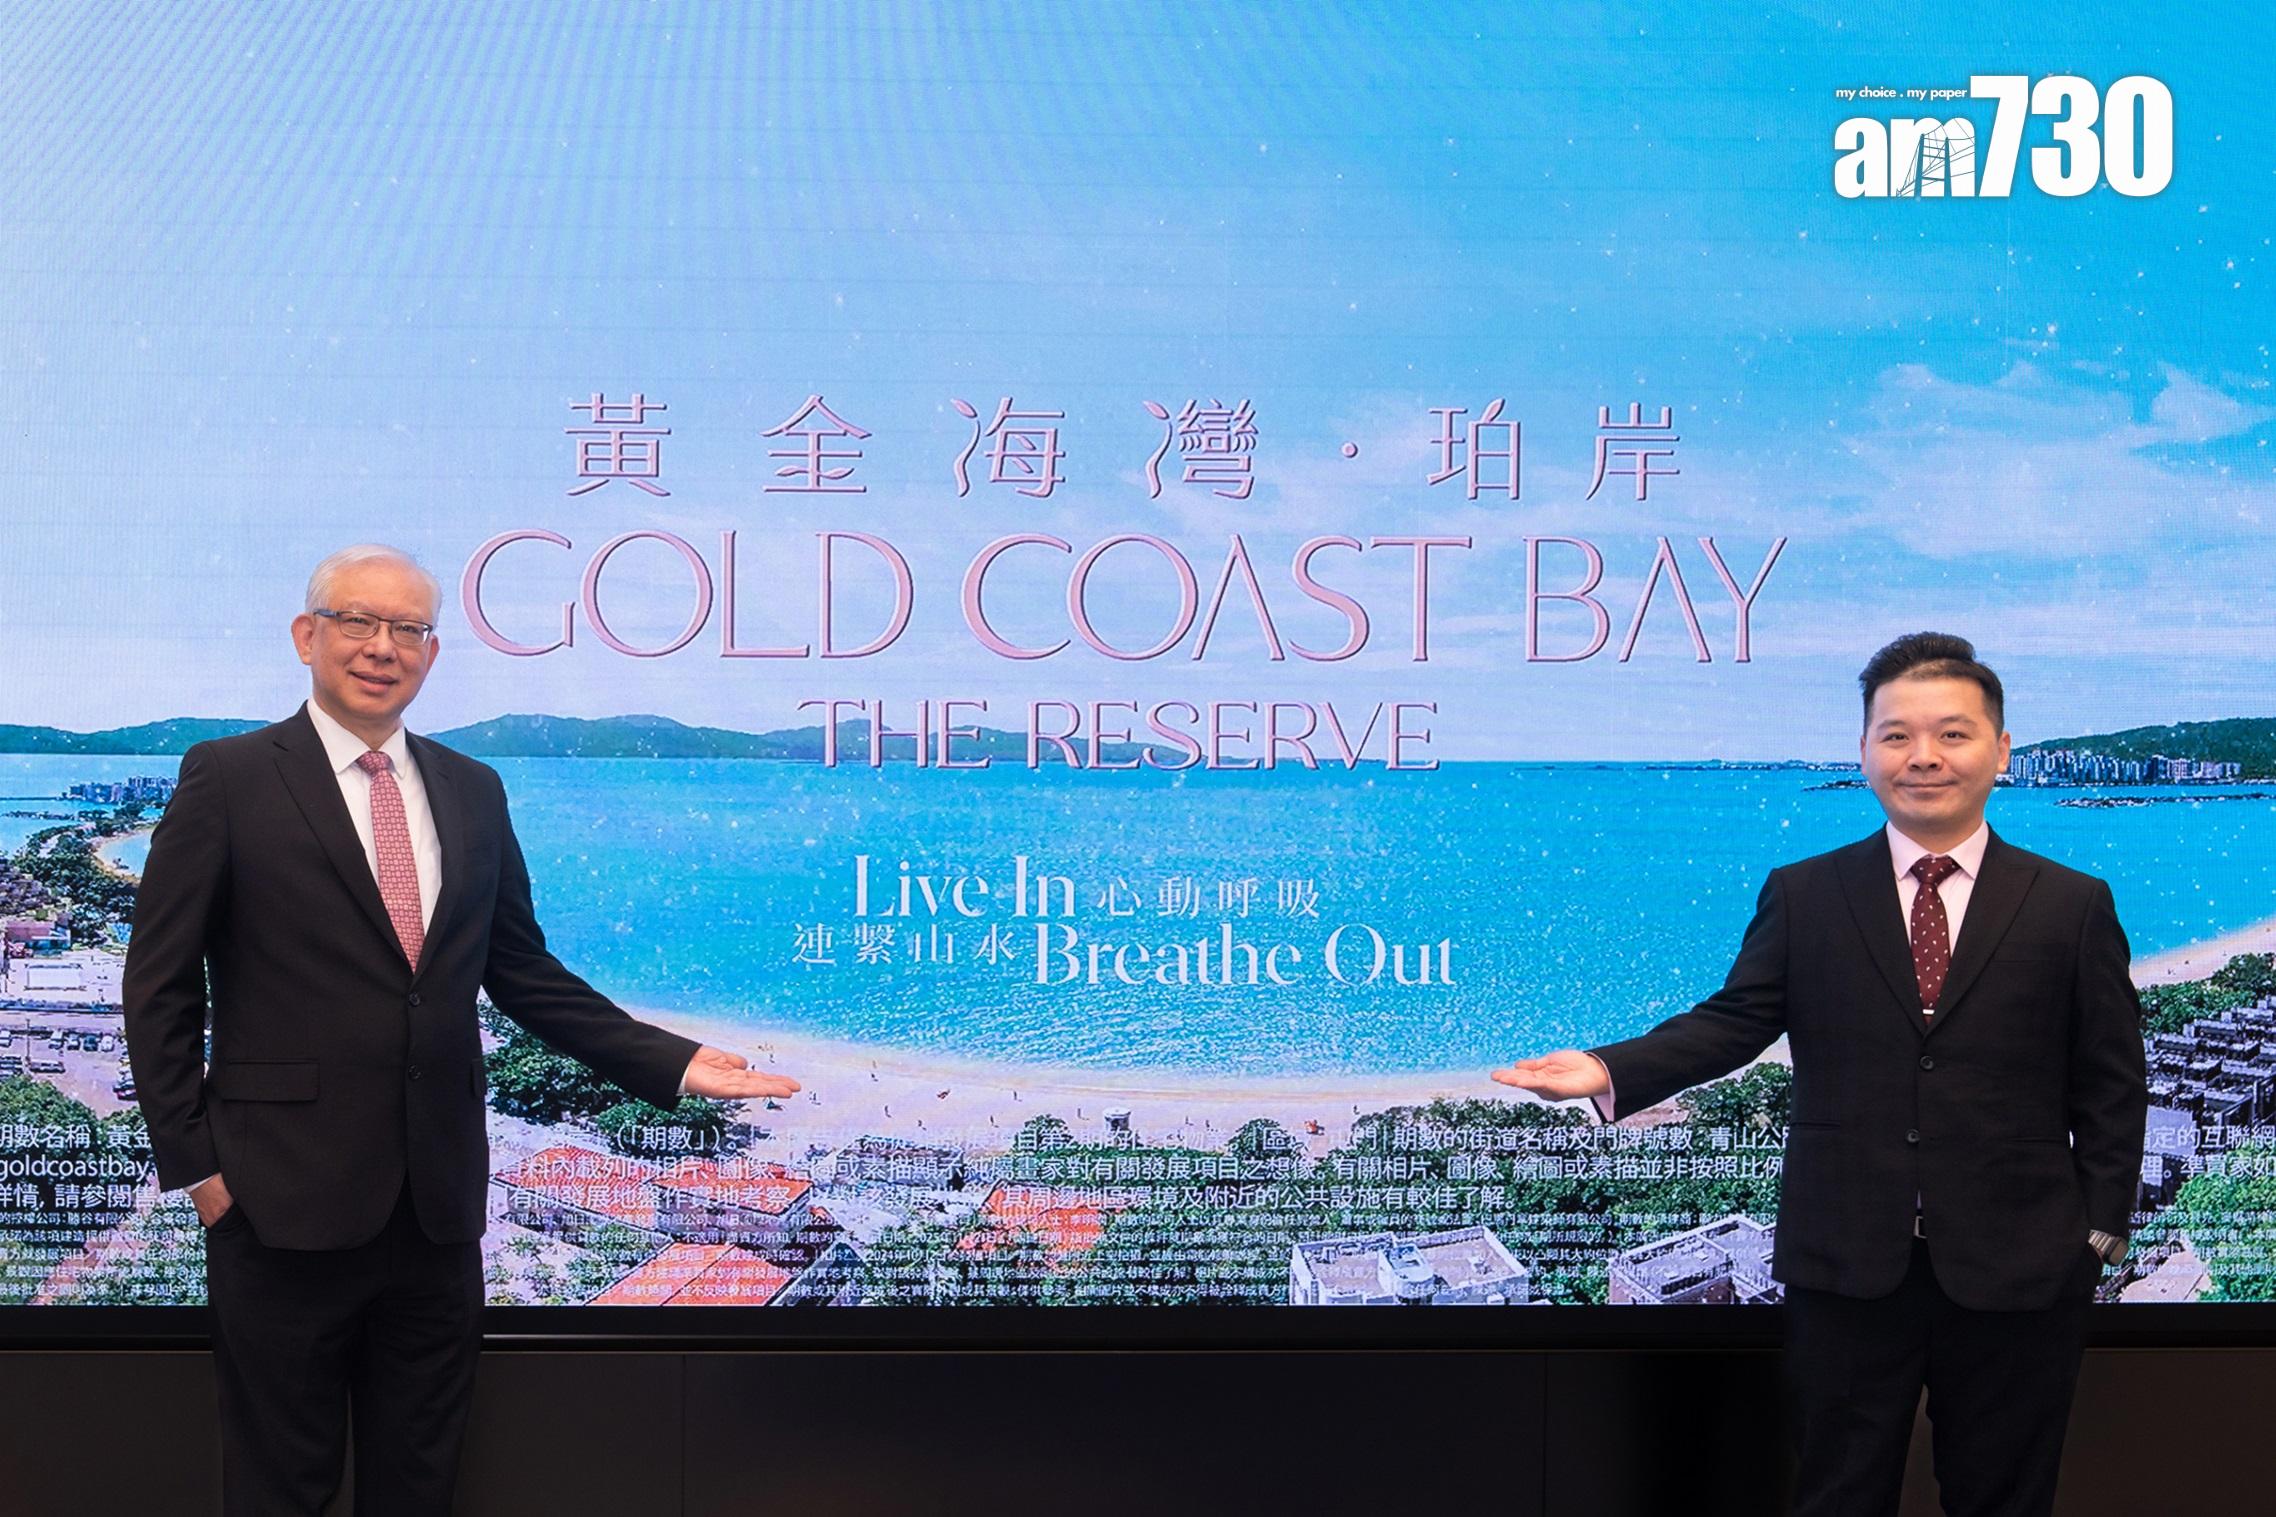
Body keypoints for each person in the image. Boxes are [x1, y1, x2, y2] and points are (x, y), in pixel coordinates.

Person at [123, 544, 802, 1515]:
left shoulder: (473, 788)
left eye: (408, 628)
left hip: (437, 1213)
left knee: (421, 1483)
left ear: (432, 652)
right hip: (275, 1202)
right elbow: (158, 983)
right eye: (359, 621)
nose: (382, 646)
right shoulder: (229, 776)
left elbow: (521, 970)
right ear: (307, 636)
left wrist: (675, 1060)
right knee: (280, 1486)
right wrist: (197, 1167)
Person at [1492, 632, 2147, 1517]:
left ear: (2001, 751)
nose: (1923, 756)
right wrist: (1610, 1066)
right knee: (1837, 1495)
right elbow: (1735, 1020)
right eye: (1896, 734)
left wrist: (2099, 1234)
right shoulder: (1806, 893)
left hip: (2023, 1269)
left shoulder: (2071, 903)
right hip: (1845, 1264)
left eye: (1952, 733)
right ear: (1864, 752)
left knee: (2004, 1500)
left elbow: (2111, 1082)